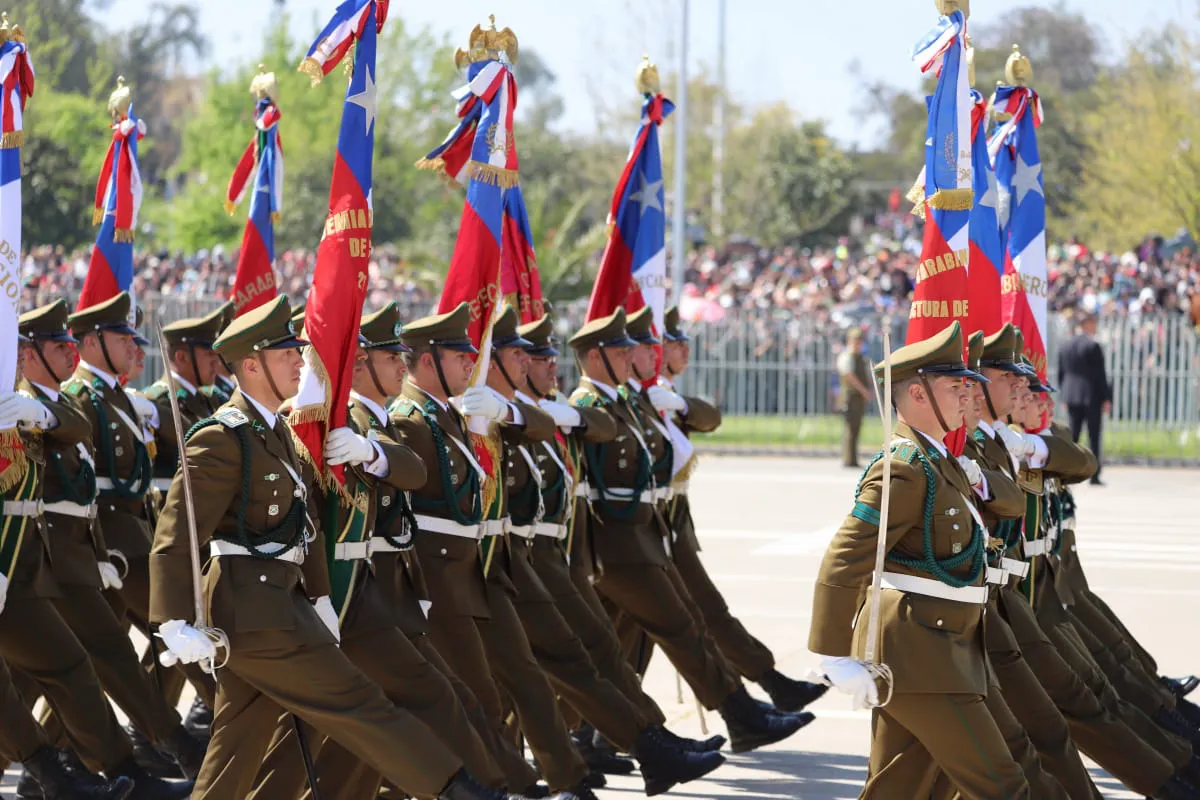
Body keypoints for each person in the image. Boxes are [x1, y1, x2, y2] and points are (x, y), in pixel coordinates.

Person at [149, 295, 524, 800]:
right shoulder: (220, 438)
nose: (301, 362)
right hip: (253, 615)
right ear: (253, 365)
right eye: (287, 355)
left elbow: (309, 530)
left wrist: (322, 597)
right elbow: (177, 532)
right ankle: (459, 790)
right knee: (360, 702)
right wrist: (172, 621)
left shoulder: (276, 432)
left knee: (238, 743)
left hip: (284, 607)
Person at [486, 306, 725, 797]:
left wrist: (559, 413)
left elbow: (601, 426)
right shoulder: (491, 415)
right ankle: (555, 767)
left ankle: (638, 749)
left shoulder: (539, 411)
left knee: (579, 657)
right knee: (519, 677)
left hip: (547, 557)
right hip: (505, 561)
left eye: (549, 357)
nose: (549, 365)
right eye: (528, 355)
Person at [568, 308, 811, 755]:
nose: (632, 357)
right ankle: (741, 715)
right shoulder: (586, 407)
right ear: (595, 356)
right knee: (681, 627)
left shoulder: (629, 400)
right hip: (614, 545)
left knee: (608, 648)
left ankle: (585, 738)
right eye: (622, 350)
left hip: (647, 534)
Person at [810, 321, 1033, 798]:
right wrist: (831, 654)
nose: (967, 396)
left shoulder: (943, 463)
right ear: (916, 395)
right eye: (954, 387)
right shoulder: (904, 467)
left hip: (944, 649)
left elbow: (1008, 504)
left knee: (905, 789)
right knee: (1004, 785)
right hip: (922, 655)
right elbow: (845, 557)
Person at [389, 302, 595, 799]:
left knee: (504, 683)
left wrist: (502, 409)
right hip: (436, 578)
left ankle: (524, 781)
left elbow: (542, 427)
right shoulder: (409, 420)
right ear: (426, 360)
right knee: (464, 696)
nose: (470, 364)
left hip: (480, 569)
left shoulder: (463, 413)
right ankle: (504, 784)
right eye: (460, 355)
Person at [15, 300, 207, 789]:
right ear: (27, 353)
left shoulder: (52, 404)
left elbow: (76, 434)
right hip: (43, 556)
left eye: (72, 343)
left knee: (74, 665)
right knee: (79, 663)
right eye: (60, 345)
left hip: (78, 553)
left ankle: (67, 771)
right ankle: (145, 756)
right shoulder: (23, 402)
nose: (70, 351)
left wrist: (99, 553)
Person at [1056, 313, 1111, 485]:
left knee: (1073, 435)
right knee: (1094, 436)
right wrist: (1106, 397)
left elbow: (1061, 374)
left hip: (1071, 394)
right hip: (1091, 395)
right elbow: (1100, 375)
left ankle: (1068, 472)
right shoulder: (1093, 345)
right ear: (1087, 324)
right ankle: (1094, 474)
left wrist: (1064, 394)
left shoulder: (1066, 345)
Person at [836, 327, 872, 468]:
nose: (858, 343)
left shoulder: (860, 357)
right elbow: (850, 376)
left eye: (859, 341)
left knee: (856, 427)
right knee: (850, 427)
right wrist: (864, 391)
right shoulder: (847, 356)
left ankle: (853, 458)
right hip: (850, 396)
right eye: (855, 340)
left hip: (858, 397)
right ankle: (848, 459)